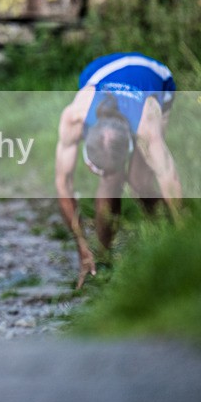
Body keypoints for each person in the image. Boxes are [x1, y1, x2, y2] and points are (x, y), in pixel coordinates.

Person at [55, 52, 181, 288]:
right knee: (111, 181)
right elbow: (63, 185)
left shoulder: (146, 125)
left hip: (154, 77)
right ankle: (101, 261)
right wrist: (82, 249)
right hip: (102, 69)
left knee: (140, 181)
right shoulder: (74, 117)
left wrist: (186, 241)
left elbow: (169, 178)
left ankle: (167, 241)